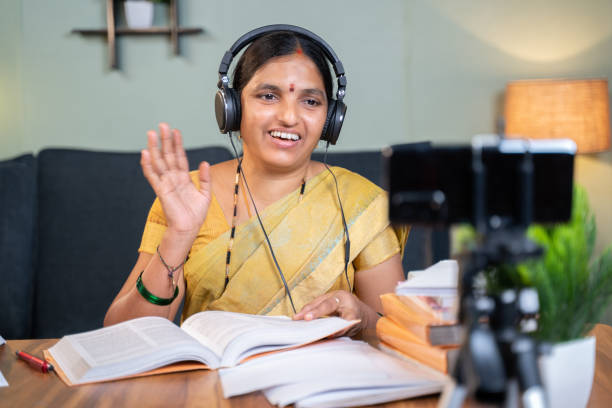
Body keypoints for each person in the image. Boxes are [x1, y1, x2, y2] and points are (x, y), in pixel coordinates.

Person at [104, 26, 406, 336]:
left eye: (311, 102)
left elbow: (402, 334)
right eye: (269, 96)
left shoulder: (362, 205)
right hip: (212, 383)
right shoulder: (187, 198)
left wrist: (362, 316)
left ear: (331, 119)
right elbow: (120, 337)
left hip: (321, 381)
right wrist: (178, 237)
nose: (290, 117)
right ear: (232, 108)